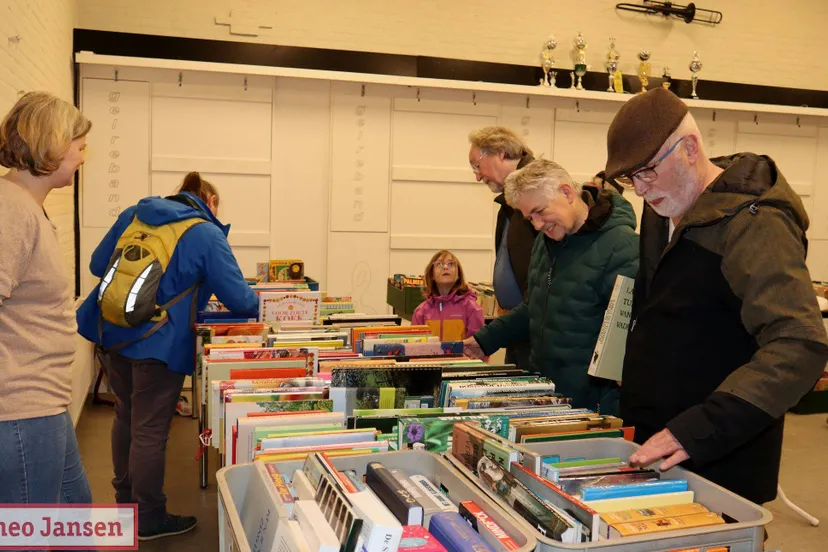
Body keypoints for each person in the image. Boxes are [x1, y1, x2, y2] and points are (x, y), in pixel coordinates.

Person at [604, 87, 828, 505]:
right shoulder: (660, 210)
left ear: (689, 148)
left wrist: (701, 428)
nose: (638, 189)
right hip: (656, 444)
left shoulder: (756, 222)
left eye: (647, 171)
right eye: (629, 177)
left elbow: (799, 343)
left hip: (718, 458)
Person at [77, 172, 259, 540]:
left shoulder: (134, 214)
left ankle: (126, 505)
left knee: (126, 418)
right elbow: (241, 300)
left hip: (113, 335)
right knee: (150, 431)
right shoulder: (206, 233)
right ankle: (148, 518)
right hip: (159, 344)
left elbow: (99, 265)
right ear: (208, 200)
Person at [464, 159, 639, 414]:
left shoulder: (622, 247)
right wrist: (485, 339)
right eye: (529, 218)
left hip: (591, 407)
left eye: (540, 212)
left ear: (567, 192)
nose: (536, 225)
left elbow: (630, 334)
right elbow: (535, 306)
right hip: (548, 395)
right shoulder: (546, 242)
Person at [0, 92, 93, 507]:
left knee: (75, 516)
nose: (83, 155)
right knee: (29, 537)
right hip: (22, 410)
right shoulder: (11, 210)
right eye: (79, 144)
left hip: (42, 406)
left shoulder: (25, 206)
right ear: (53, 142)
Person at [468, 126, 537, 369]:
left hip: (533, 333)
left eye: (477, 165)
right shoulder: (511, 199)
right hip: (517, 328)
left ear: (498, 152)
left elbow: (540, 286)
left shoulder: (535, 191)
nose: (477, 176)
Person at [411, 250, 484, 341]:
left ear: (458, 275)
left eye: (451, 264)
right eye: (439, 264)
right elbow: (414, 348)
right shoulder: (420, 312)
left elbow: (478, 348)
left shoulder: (472, 308)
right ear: (432, 275)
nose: (445, 267)